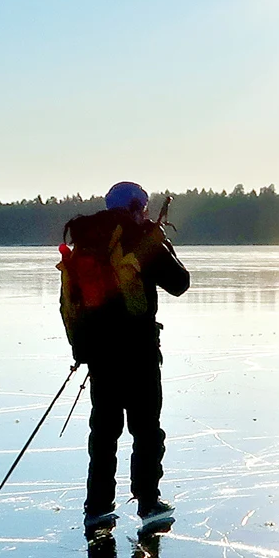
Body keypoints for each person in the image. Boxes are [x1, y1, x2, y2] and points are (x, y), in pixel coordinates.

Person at [59, 181, 191, 532]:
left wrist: (82, 349)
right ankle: (148, 502)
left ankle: (97, 506)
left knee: (104, 432)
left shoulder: (88, 240)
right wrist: (160, 242)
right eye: (143, 207)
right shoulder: (138, 238)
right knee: (146, 430)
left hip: (100, 355)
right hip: (138, 353)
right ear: (136, 207)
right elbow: (180, 283)